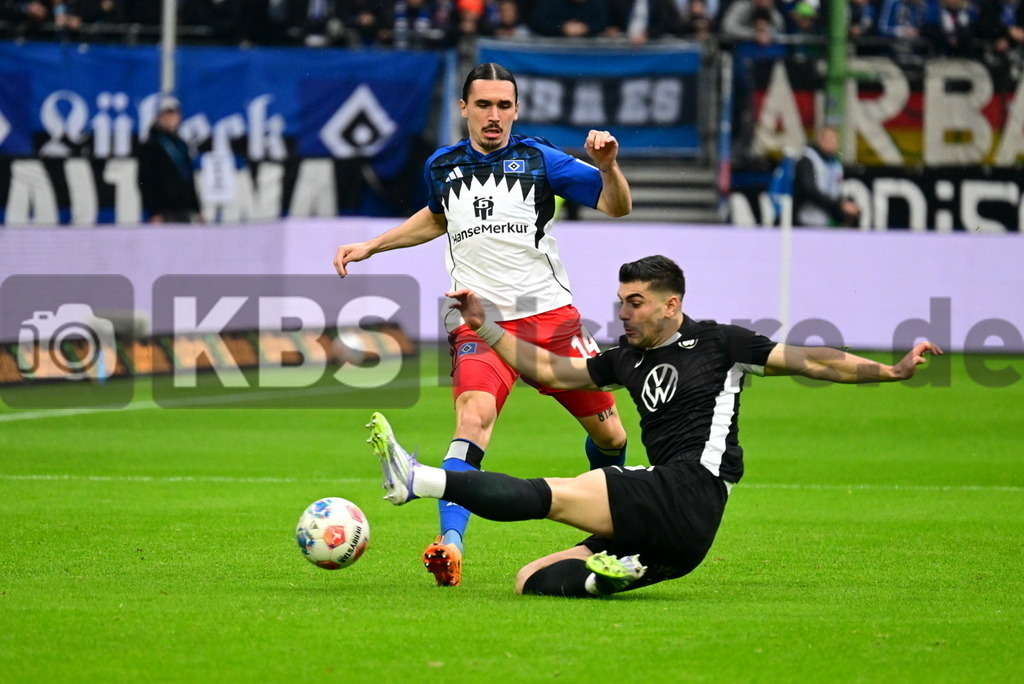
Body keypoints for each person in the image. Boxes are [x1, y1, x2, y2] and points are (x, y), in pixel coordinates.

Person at [366, 255, 943, 597]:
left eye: (636, 302)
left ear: (672, 305)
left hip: (690, 487)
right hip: (682, 542)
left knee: (553, 495)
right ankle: (613, 574)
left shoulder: (722, 342)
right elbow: (549, 369)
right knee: (530, 580)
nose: (623, 312)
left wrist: (892, 371)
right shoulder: (625, 358)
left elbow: (815, 360)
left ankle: (417, 480)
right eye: (620, 301)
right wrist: (487, 328)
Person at [334, 63, 633, 587]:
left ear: (516, 110)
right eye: (484, 105)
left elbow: (617, 206)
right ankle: (449, 543)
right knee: (472, 420)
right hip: (478, 319)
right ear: (464, 108)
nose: (494, 116)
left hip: (550, 319)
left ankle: (610, 522)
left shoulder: (541, 160)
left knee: (610, 435)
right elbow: (436, 217)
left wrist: (607, 167)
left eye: (503, 105)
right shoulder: (442, 166)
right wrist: (372, 245)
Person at [137, 96, 202, 224]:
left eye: (173, 114)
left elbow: (189, 179)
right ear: (158, 117)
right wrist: (154, 211)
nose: (170, 119)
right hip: (163, 211)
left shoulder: (182, 144)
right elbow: (144, 181)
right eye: (165, 115)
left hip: (184, 209)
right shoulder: (150, 145)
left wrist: (197, 209)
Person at [792, 126, 860, 228]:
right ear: (820, 140)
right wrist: (839, 205)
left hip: (826, 221)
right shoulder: (807, 160)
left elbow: (835, 191)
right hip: (805, 221)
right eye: (828, 139)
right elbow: (809, 190)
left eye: (834, 140)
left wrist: (844, 206)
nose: (831, 143)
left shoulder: (835, 164)